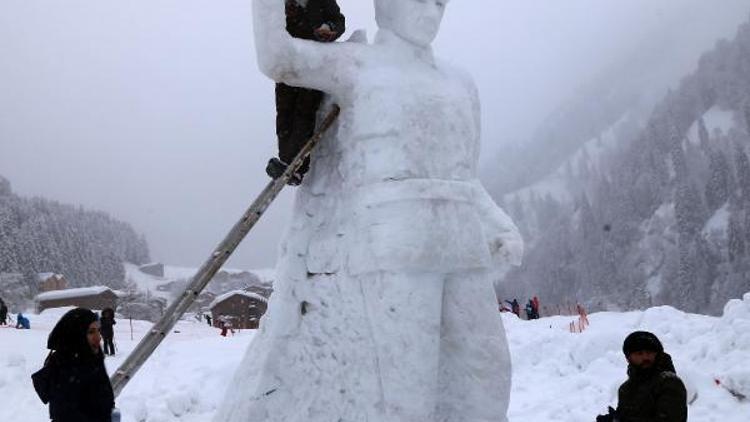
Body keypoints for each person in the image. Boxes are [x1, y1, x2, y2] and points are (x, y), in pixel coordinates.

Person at [265, 0, 346, 185]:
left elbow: (339, 22)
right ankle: (287, 161)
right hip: (287, 69)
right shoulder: (280, 4)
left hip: (312, 68)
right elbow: (271, 31)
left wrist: (329, 29)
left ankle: (296, 167)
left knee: (304, 113)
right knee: (284, 115)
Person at [31, 308, 115, 422]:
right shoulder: (66, 367)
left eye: (98, 330)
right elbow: (67, 414)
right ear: (77, 335)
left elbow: (104, 397)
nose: (98, 337)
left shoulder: (92, 358)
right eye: (91, 332)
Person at [596, 331, 687, 422]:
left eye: (649, 352)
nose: (645, 357)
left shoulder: (668, 382)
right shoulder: (626, 389)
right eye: (639, 353)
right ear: (628, 358)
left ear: (657, 354)